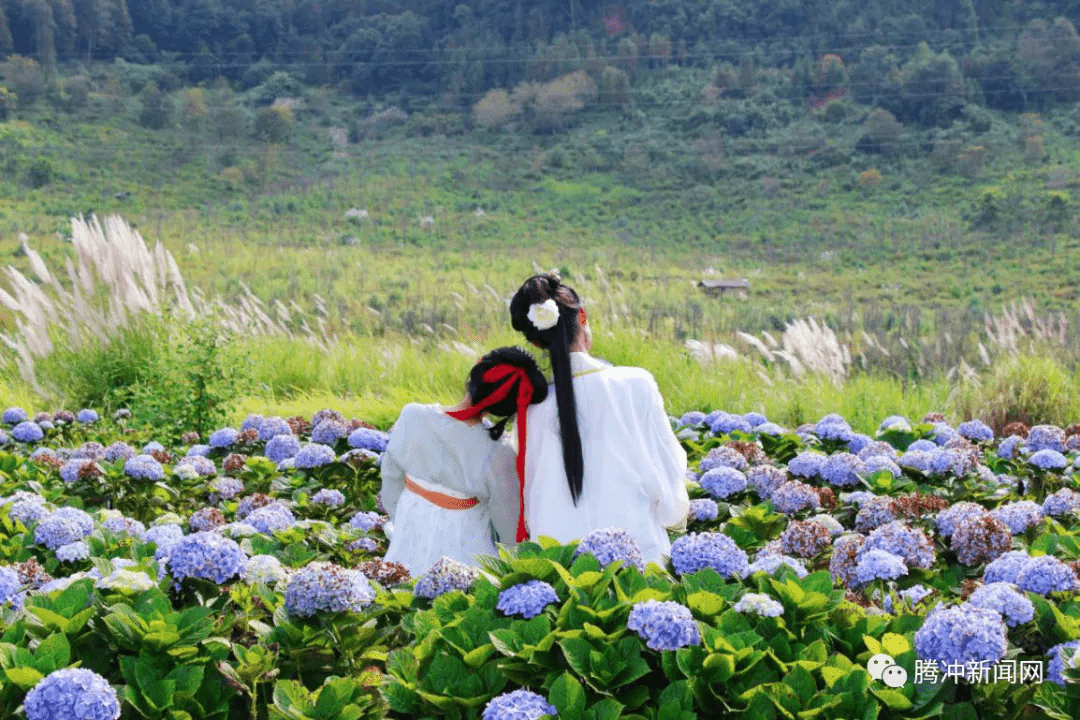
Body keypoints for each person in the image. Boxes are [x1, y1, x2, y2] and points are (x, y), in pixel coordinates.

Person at [509, 274, 690, 565]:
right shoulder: (636, 384)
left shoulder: (532, 410)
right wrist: (672, 511)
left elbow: (528, 495)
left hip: (563, 566)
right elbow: (668, 469)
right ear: (582, 316)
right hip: (637, 553)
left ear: (537, 343)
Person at [379, 346, 547, 574]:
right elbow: (508, 529)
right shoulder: (499, 453)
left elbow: (390, 481)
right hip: (464, 550)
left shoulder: (412, 416)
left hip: (409, 529)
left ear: (476, 369)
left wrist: (404, 524)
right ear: (507, 407)